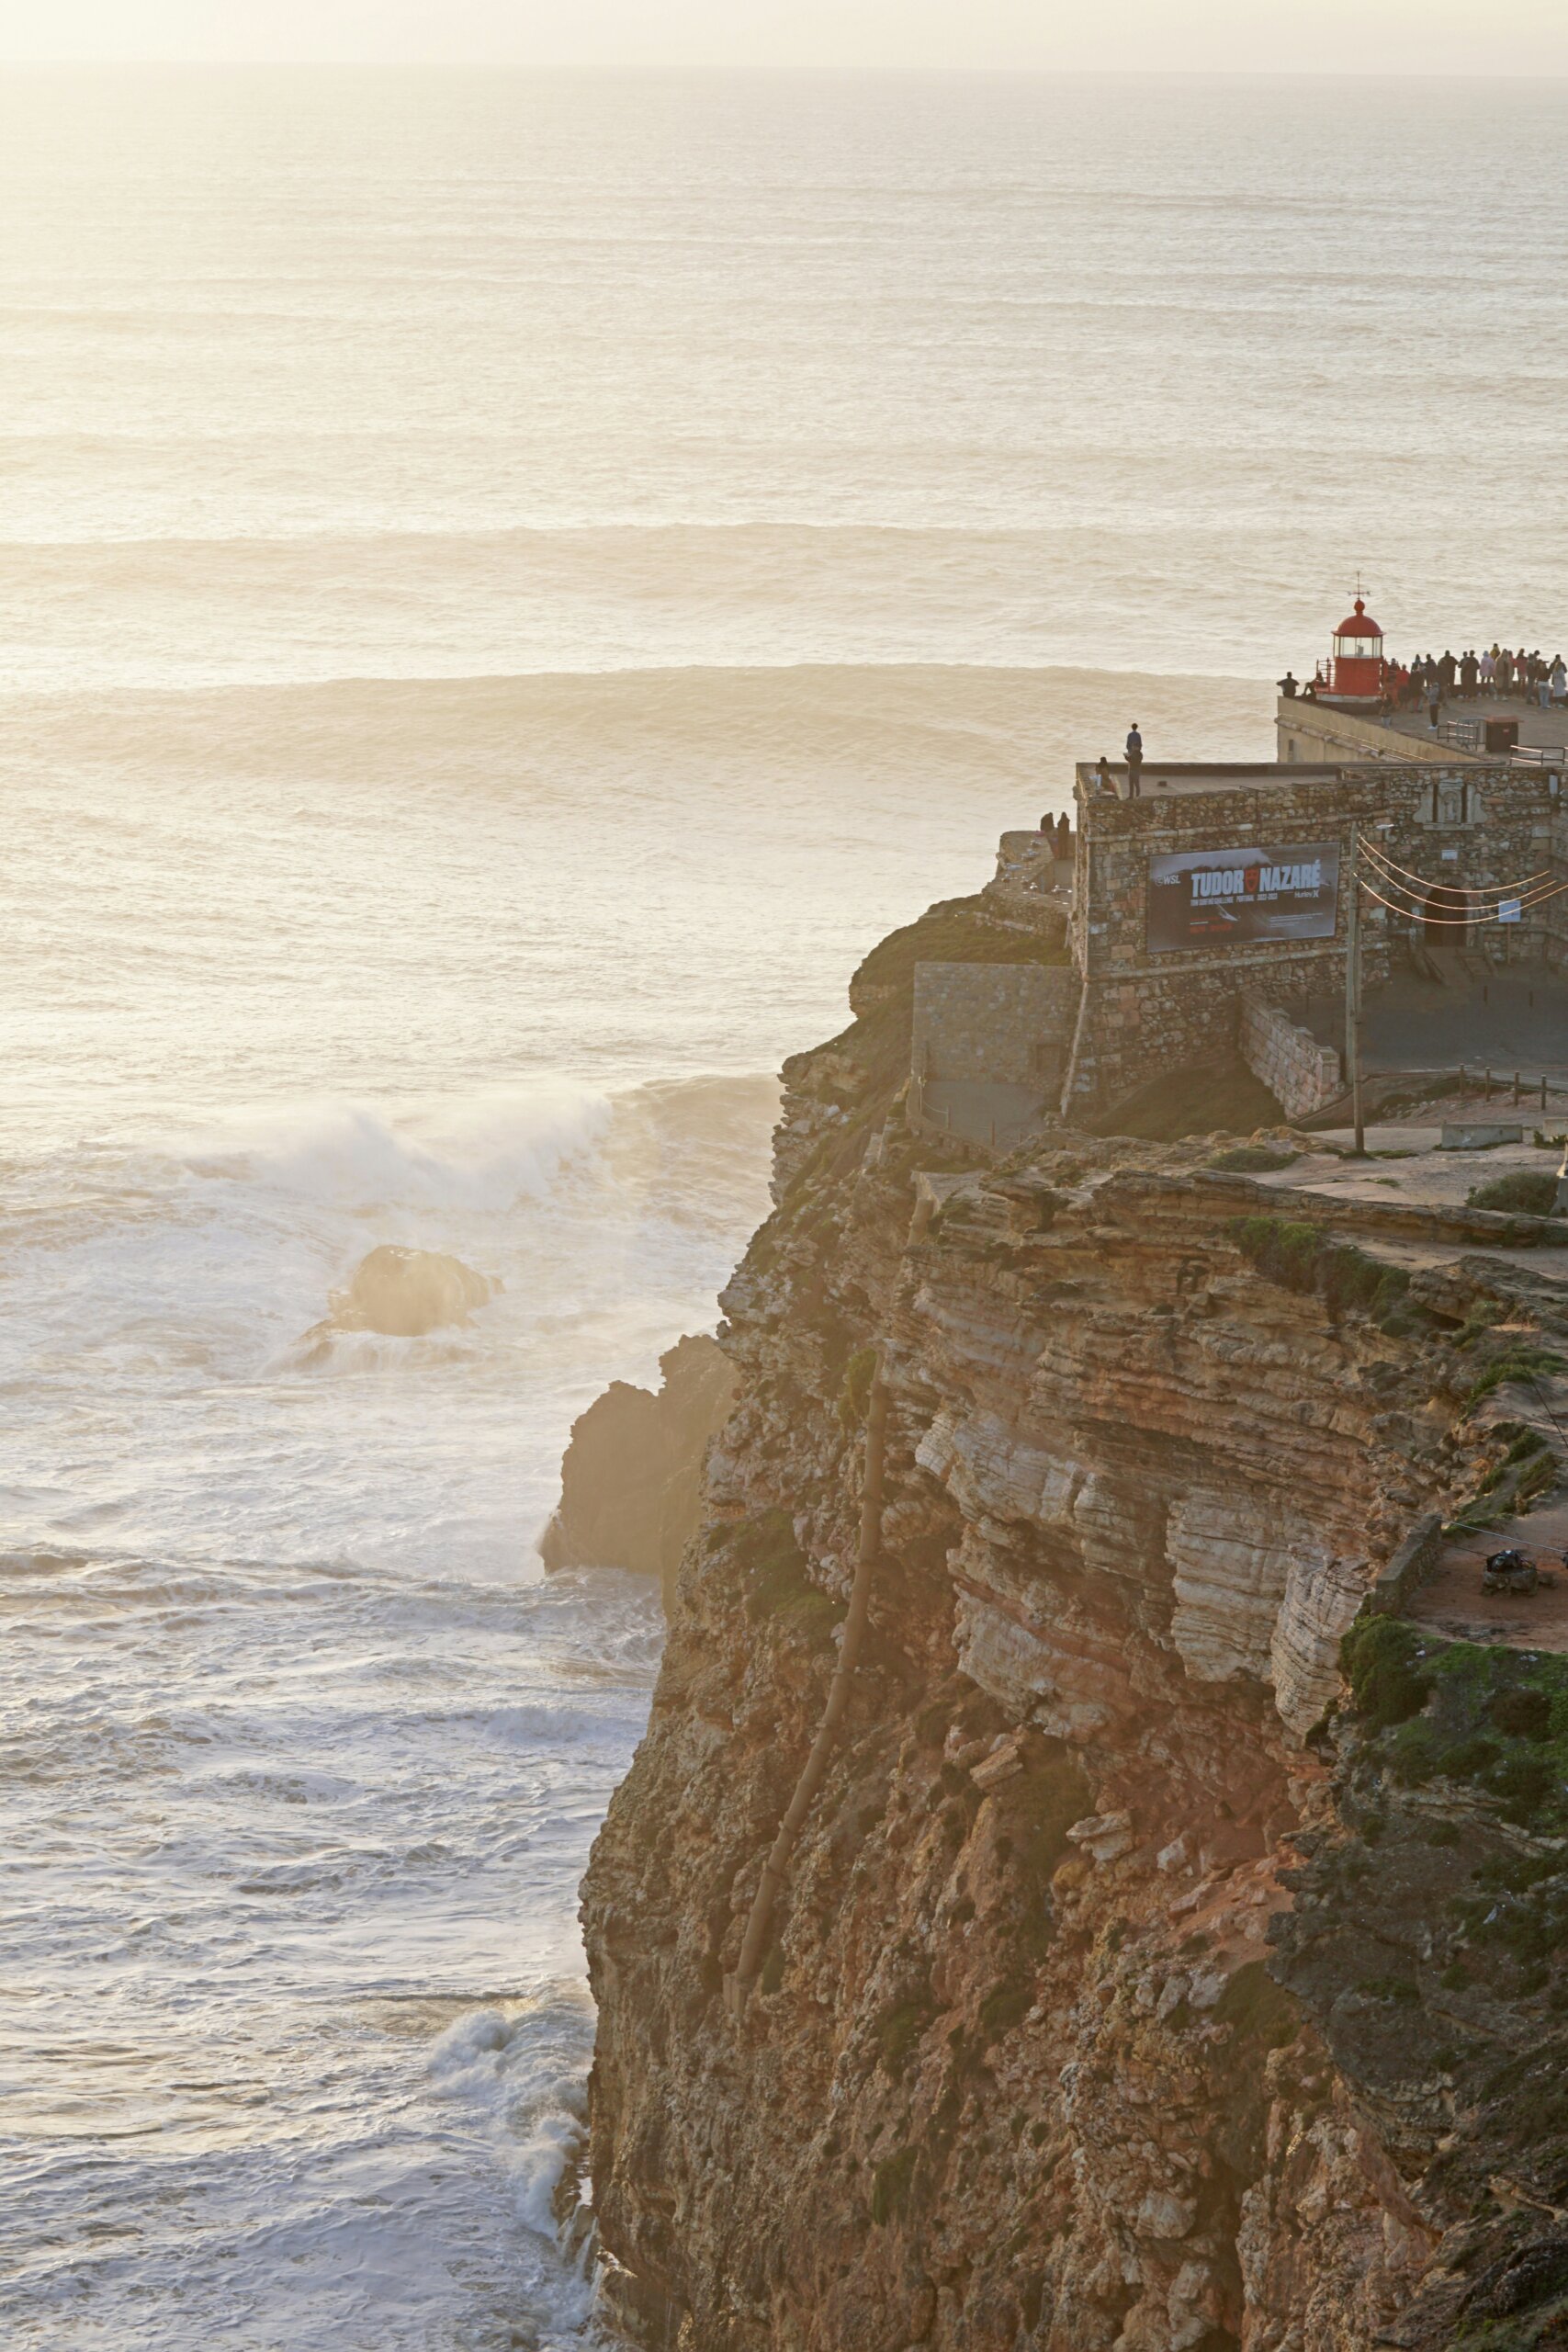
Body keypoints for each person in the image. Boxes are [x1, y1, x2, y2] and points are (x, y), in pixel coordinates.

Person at [1124, 723, 1144, 797]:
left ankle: (1132, 796)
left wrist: (1128, 752)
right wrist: (1138, 749)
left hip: (1131, 753)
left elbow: (1127, 744)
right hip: (1135, 756)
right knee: (1134, 782)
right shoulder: (1138, 735)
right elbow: (1140, 744)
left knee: (1133, 781)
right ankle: (1135, 796)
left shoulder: (1129, 735)